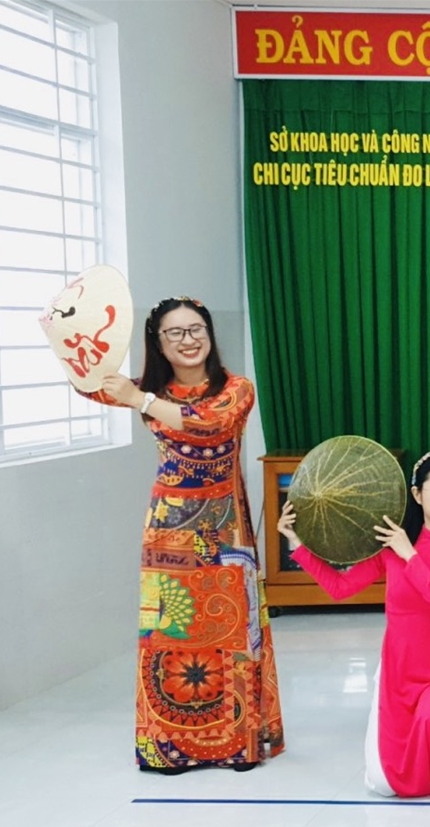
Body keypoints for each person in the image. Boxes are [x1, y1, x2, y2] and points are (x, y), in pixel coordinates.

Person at [80, 297, 285, 773]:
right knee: (168, 632)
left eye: (197, 330)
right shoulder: (149, 390)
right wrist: (72, 337)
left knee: (232, 632)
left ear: (210, 335)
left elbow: (208, 424)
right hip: (167, 533)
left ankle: (236, 744)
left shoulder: (236, 389)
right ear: (158, 342)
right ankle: (168, 747)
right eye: (175, 332)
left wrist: (142, 401)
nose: (188, 340)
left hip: (225, 530)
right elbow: (89, 384)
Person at [277, 449, 430, 797]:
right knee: (384, 783)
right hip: (399, 672)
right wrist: (296, 543)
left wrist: (410, 555)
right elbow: (340, 588)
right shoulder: (392, 547)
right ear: (417, 494)